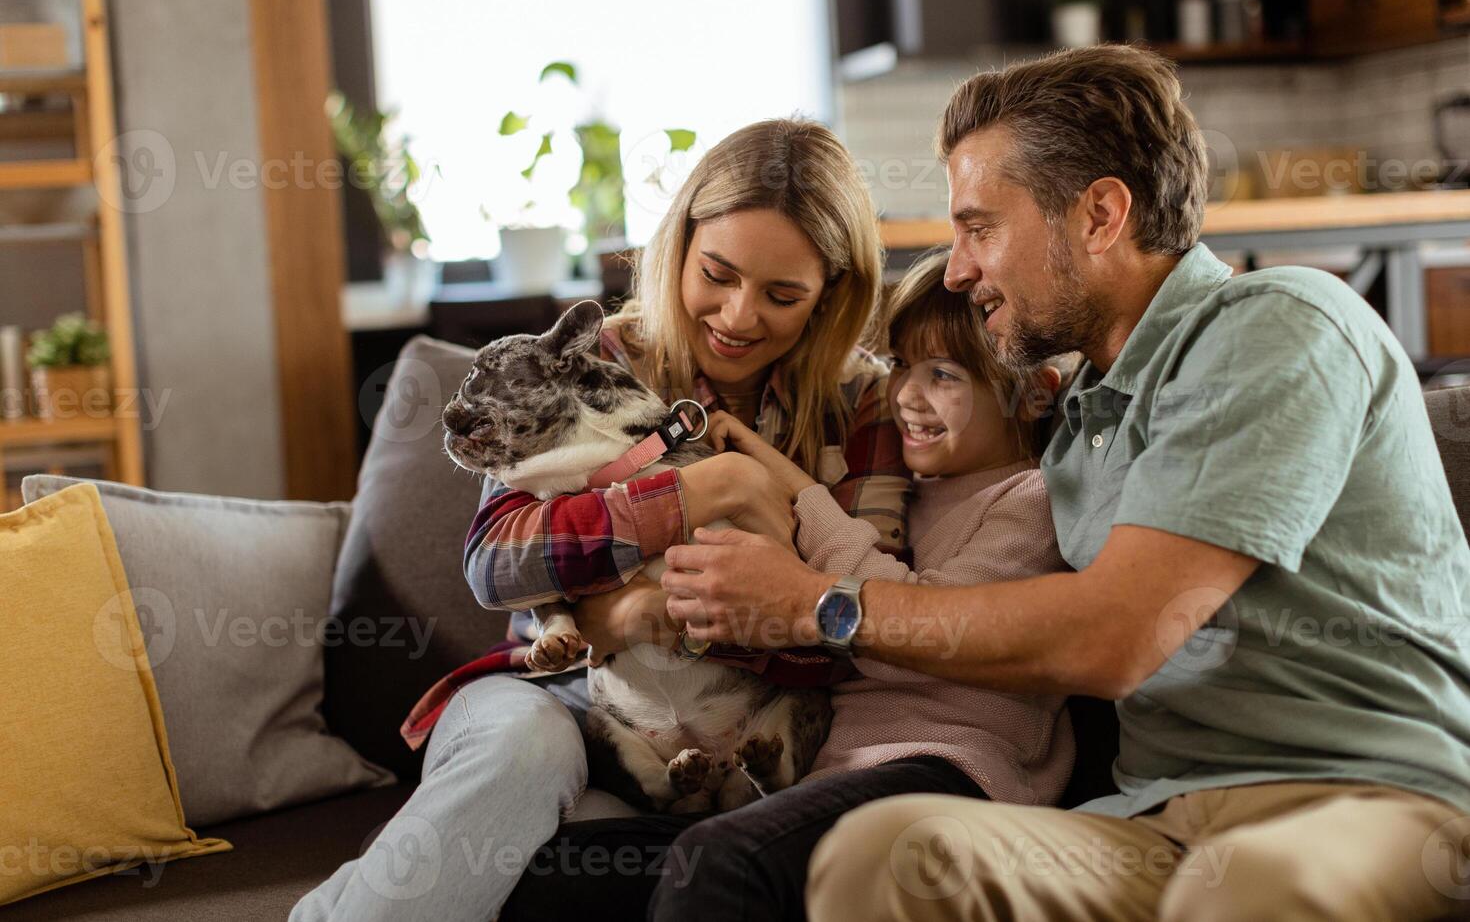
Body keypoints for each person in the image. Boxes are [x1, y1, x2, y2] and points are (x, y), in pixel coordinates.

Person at [650, 46, 1470, 922]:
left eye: (979, 228)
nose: (958, 271)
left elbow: (1120, 633)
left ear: (1101, 215)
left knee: (1238, 899)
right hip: (1157, 819)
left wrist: (819, 604)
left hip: (1371, 801)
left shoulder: (1280, 325)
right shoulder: (1074, 420)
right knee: (880, 856)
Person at [290, 118, 910, 922]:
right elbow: (497, 562)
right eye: (716, 273)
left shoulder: (865, 404)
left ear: (833, 293)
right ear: (677, 247)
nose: (737, 314)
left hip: (736, 716)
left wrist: (627, 612)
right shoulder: (596, 361)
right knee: (524, 749)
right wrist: (704, 490)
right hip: (556, 695)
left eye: (783, 295)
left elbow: (865, 610)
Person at [500, 248, 1077, 922]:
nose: (907, 397)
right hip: (835, 766)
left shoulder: (1027, 499)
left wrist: (794, 486)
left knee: (723, 865)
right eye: (901, 367)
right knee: (550, 878)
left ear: (1035, 392)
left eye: (943, 375)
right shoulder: (908, 497)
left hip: (949, 770)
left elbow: (915, 628)